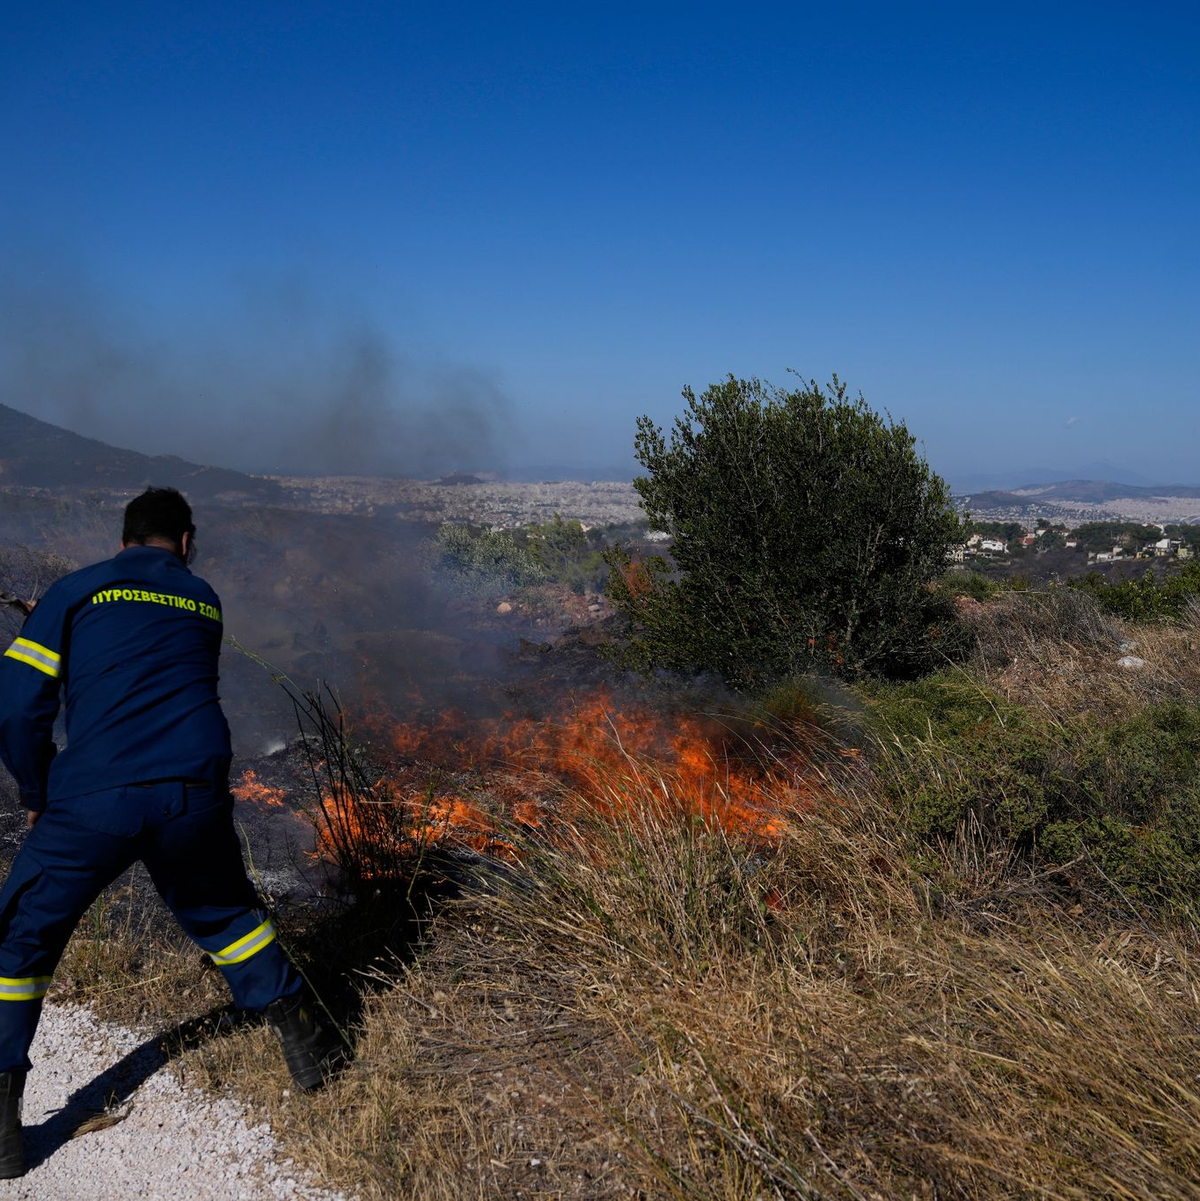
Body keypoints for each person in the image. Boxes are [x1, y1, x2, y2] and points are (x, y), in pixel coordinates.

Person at [0, 487, 344, 1179]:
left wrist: (36, 791)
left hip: (94, 794)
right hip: (191, 790)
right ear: (186, 541)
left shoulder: (77, 590)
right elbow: (150, 663)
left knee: (21, 940)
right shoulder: (202, 598)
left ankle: (4, 1128)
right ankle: (310, 1044)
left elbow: (16, 704)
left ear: (124, 537)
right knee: (226, 912)